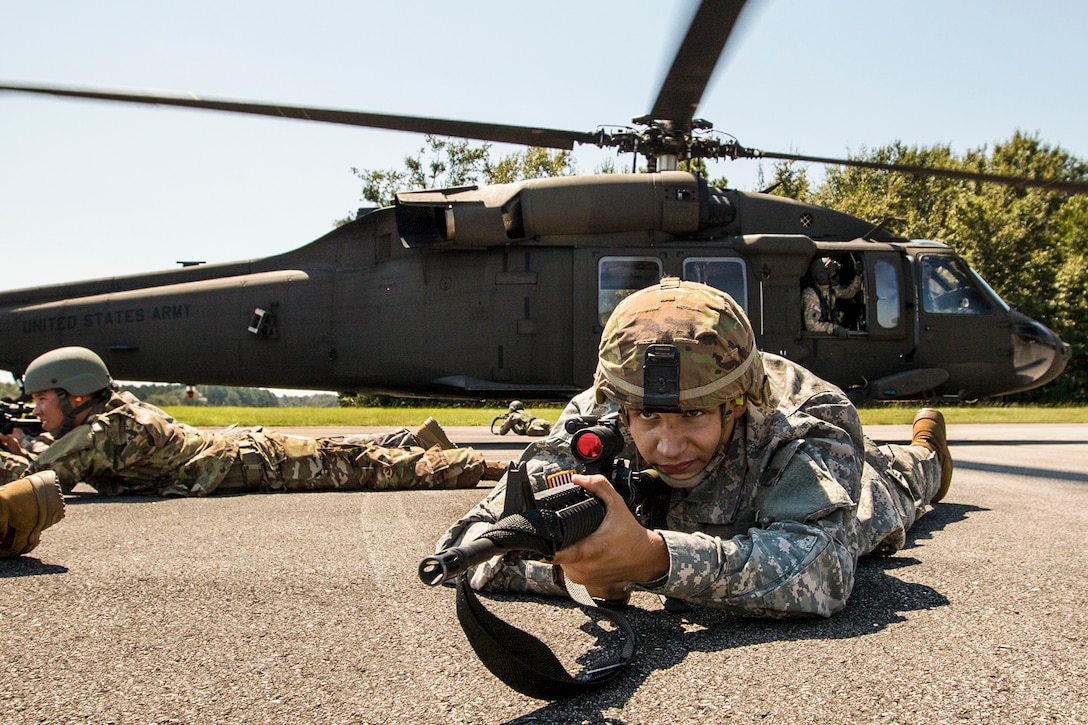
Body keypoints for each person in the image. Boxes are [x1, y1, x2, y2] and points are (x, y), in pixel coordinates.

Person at [435, 277, 952, 617]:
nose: (668, 443)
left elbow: (822, 570)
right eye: (648, 417)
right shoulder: (599, 418)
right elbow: (470, 541)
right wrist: (579, 569)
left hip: (849, 489)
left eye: (694, 415)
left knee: (893, 486)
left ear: (735, 405)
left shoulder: (801, 422)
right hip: (700, 534)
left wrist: (653, 561)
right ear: (621, 407)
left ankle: (927, 450)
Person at [0, 346, 507, 497]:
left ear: (77, 395)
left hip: (254, 462)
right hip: (245, 451)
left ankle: (491, 468)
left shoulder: (103, 432)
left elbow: (33, 483)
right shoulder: (115, 411)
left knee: (381, 468)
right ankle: (418, 440)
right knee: (353, 454)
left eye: (43, 400)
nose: (37, 411)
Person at [802, 257, 864, 337]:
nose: (835, 276)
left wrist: (858, 275)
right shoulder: (810, 295)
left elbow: (850, 292)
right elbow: (811, 325)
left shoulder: (831, 290)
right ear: (822, 275)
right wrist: (833, 328)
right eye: (832, 274)